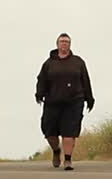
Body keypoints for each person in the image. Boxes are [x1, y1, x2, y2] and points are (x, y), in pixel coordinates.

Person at [35, 33, 94, 170]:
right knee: (50, 133)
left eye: (67, 42)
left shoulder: (78, 62)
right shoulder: (49, 63)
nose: (64, 44)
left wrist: (89, 98)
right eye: (62, 41)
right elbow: (41, 80)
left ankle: (68, 160)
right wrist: (39, 94)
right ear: (57, 44)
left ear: (70, 45)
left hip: (74, 102)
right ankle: (56, 151)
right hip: (52, 102)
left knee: (69, 132)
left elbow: (85, 80)